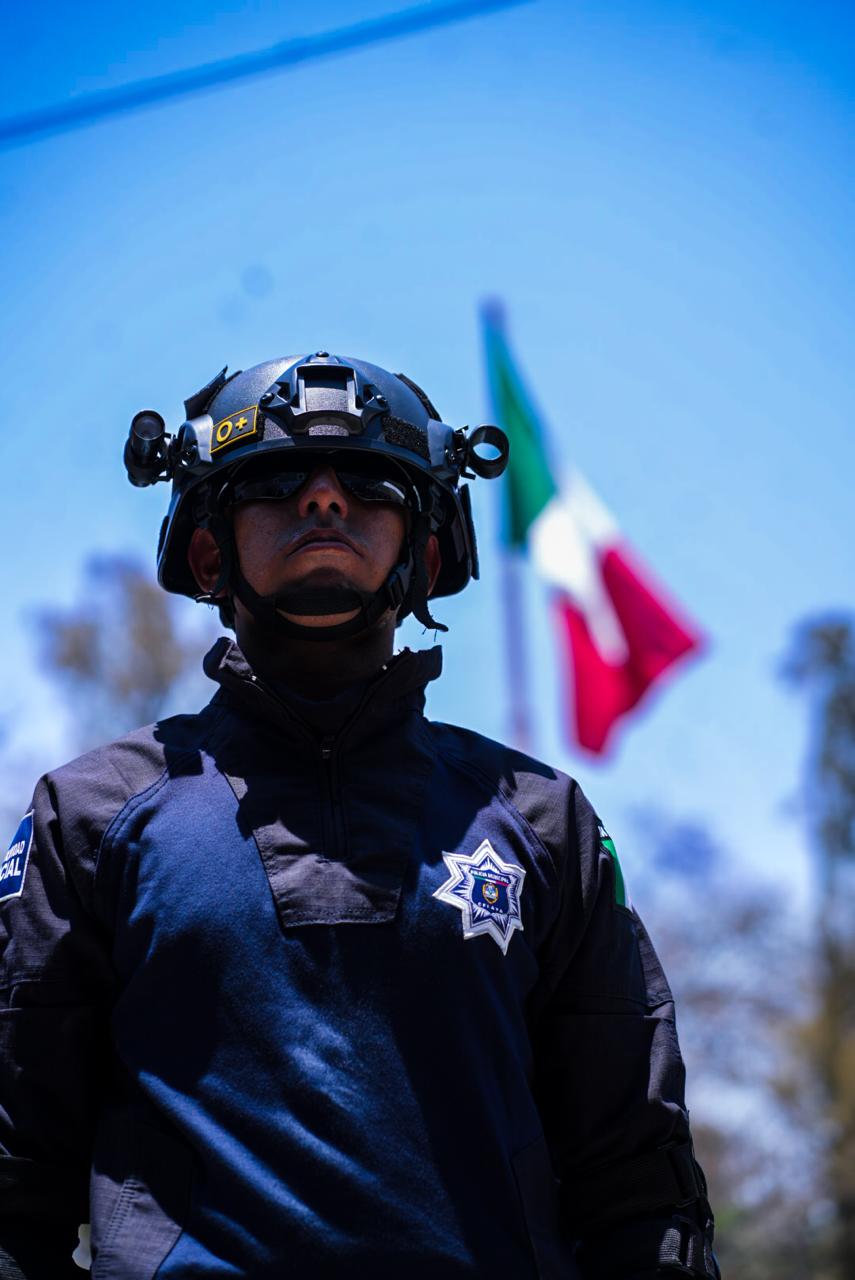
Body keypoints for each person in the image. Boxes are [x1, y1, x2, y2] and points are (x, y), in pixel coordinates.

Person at [0, 351, 719, 1279]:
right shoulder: (89, 817)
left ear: (424, 557)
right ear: (209, 552)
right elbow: (15, 1182)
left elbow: (637, 1186)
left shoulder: (542, 822)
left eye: (372, 484)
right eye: (276, 480)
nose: (325, 499)